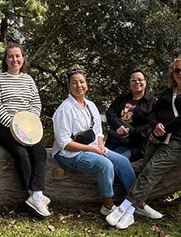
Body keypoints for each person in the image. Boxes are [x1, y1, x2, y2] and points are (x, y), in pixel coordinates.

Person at [106, 56, 181, 230]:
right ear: (172, 74)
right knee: (146, 170)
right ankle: (131, 211)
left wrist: (164, 128)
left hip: (179, 139)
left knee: (152, 170)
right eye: (177, 70)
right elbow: (153, 114)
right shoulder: (169, 92)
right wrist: (156, 127)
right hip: (157, 136)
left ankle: (125, 209)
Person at [53, 68, 160, 219]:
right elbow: (64, 143)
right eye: (74, 83)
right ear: (68, 86)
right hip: (70, 153)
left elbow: (98, 132)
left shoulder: (90, 105)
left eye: (82, 82)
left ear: (87, 84)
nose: (79, 86)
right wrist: (93, 149)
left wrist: (101, 145)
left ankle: (138, 203)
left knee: (122, 161)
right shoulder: (64, 109)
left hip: (93, 147)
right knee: (105, 165)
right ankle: (108, 206)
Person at [0, 42, 50, 217]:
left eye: (18, 56)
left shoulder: (28, 79)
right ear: (5, 59)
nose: (15, 59)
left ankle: (37, 193)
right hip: (3, 125)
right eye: (10, 56)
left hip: (27, 126)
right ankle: (33, 194)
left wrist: (30, 123)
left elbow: (36, 103)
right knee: (21, 153)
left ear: (23, 58)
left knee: (39, 151)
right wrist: (15, 126)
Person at [105, 68, 156, 161]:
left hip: (133, 145)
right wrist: (118, 126)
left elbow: (151, 125)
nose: (137, 82)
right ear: (130, 83)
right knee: (102, 161)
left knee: (116, 162)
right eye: (133, 80)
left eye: (140, 80)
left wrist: (131, 131)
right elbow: (110, 113)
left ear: (145, 82)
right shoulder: (122, 98)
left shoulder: (151, 103)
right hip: (114, 139)